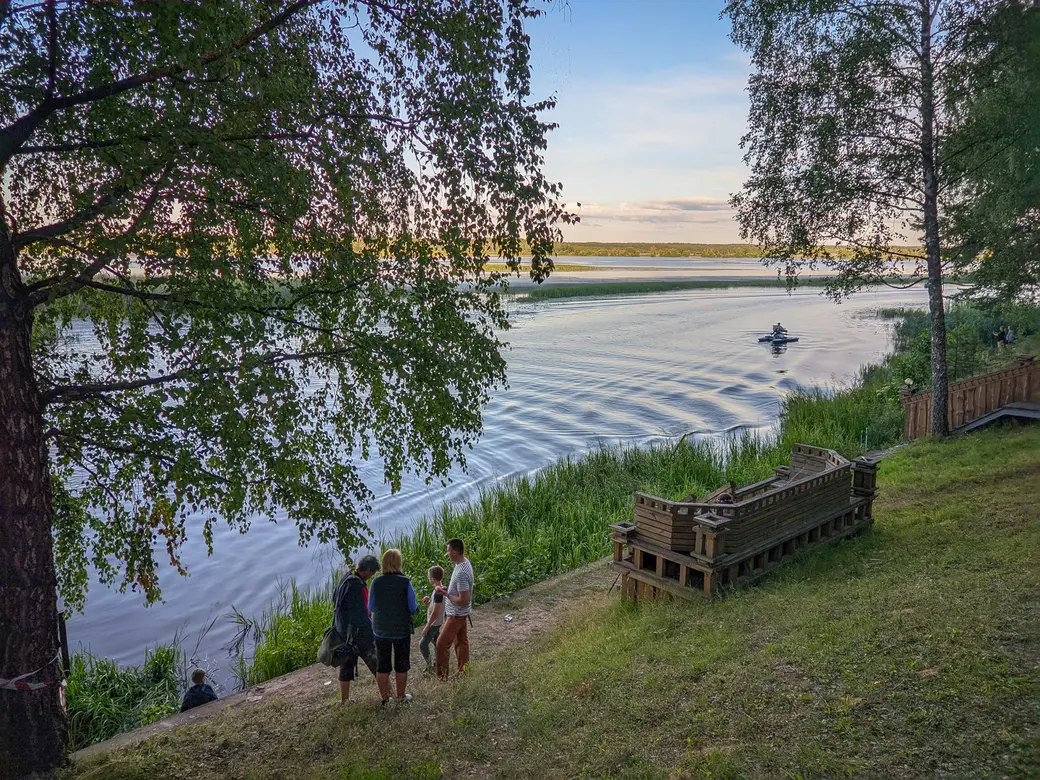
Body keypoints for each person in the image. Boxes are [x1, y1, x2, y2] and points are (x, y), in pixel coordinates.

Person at [368, 548, 418, 704]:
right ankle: (401, 696)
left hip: (380, 631)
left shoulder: (376, 582)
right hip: (400, 630)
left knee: (382, 666)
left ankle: (385, 699)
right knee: (401, 664)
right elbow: (412, 607)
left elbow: (370, 608)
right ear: (399, 563)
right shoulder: (405, 582)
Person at [333, 554, 381, 703]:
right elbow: (361, 614)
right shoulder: (356, 585)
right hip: (358, 634)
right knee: (376, 664)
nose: (370, 576)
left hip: (343, 632)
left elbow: (335, 599)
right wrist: (371, 632)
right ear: (365, 570)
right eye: (371, 573)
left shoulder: (347, 576)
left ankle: (345, 701)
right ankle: (388, 694)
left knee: (346, 666)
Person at [435, 538, 474, 679]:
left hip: (457, 614)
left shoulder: (462, 572)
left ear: (454, 552)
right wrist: (448, 591)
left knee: (441, 644)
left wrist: (447, 595)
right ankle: (464, 671)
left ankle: (442, 676)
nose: (447, 554)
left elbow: (464, 599)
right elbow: (460, 591)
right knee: (461, 642)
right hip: (461, 613)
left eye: (448, 551)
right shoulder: (463, 563)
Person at [419, 565, 445, 671]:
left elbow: (435, 612)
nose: (428, 578)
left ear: (433, 578)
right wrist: (429, 602)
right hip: (437, 622)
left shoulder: (438, 592)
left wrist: (427, 626)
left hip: (434, 623)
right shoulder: (438, 590)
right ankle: (440, 661)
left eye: (429, 576)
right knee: (437, 642)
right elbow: (436, 606)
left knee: (423, 644)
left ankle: (430, 666)